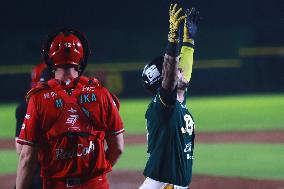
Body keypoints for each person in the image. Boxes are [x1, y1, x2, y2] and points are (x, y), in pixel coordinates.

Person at [16, 29, 125, 189]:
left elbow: (27, 158)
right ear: (81, 57)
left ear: (50, 58)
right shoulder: (102, 94)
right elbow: (118, 149)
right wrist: (96, 172)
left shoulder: (38, 99)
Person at [140, 4, 200, 189]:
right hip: (161, 184)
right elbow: (170, 80)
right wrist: (172, 39)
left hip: (170, 183)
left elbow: (184, 72)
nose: (181, 69)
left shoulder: (177, 102)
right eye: (176, 69)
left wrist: (188, 41)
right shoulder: (164, 105)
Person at [15, 63, 51, 189]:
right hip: (65, 173)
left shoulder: (24, 106)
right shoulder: (72, 102)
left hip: (36, 175)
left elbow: (21, 151)